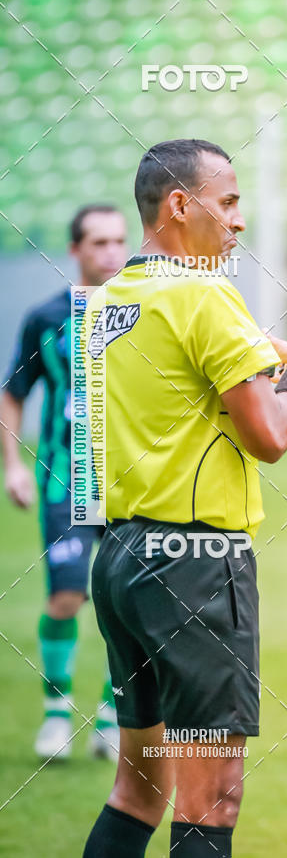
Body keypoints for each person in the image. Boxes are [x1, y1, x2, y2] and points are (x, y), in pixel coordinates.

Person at [81, 138, 287, 858]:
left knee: (138, 789)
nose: (238, 220)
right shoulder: (205, 292)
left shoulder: (109, 303)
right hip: (196, 564)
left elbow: (195, 410)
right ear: (181, 204)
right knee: (210, 796)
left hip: (122, 560)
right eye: (229, 201)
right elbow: (263, 436)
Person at [1, 205, 128, 760]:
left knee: (129, 605)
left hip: (134, 485)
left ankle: (111, 715)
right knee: (67, 596)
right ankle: (57, 716)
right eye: (98, 242)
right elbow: (13, 393)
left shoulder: (142, 313)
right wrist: (13, 463)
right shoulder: (46, 317)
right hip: (65, 480)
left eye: (119, 241)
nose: (111, 252)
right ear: (75, 250)